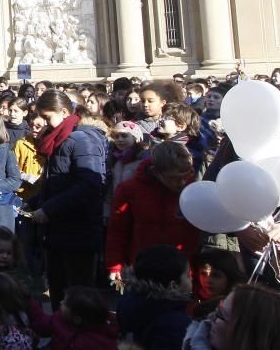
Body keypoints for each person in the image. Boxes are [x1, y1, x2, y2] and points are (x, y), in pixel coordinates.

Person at [27, 89, 107, 310]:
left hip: (79, 230)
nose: (42, 124)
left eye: (46, 118)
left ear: (63, 112)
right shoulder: (57, 139)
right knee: (58, 290)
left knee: (79, 294)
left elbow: (89, 184)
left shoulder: (81, 140)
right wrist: (34, 203)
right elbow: (56, 182)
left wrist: (49, 209)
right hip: (58, 230)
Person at [105, 141, 199, 286]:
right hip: (143, 269)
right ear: (155, 172)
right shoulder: (129, 190)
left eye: (186, 175)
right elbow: (118, 230)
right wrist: (115, 265)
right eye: (173, 178)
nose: (181, 182)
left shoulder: (193, 190)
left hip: (182, 271)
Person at [116, 244, 192, 350]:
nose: (191, 279)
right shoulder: (176, 324)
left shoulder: (127, 303)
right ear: (173, 286)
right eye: (188, 275)